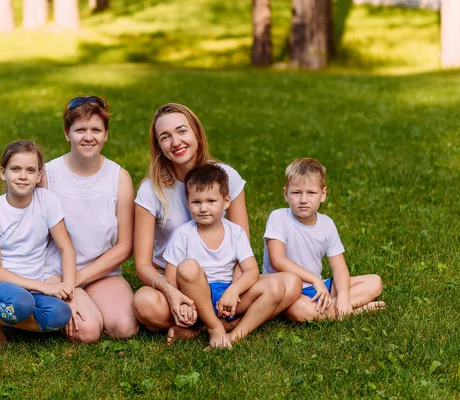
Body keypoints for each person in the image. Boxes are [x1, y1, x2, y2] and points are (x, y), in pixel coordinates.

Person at [132, 103, 302, 343]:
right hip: (177, 282)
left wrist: (234, 291)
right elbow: (142, 264)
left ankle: (219, 326)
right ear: (158, 146)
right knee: (144, 303)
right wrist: (172, 294)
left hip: (226, 277)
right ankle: (213, 323)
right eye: (165, 137)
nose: (176, 142)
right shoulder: (152, 190)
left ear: (197, 134)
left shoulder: (226, 176)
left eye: (182, 131)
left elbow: (240, 245)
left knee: (291, 283)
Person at [0, 140, 82, 352]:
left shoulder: (46, 201)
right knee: (22, 302)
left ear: (39, 176)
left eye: (30, 170)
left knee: (60, 314)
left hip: (30, 290)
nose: (22, 176)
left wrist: (69, 293)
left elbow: (66, 249)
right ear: (3, 172)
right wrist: (45, 286)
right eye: (15, 169)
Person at [41, 96, 139, 343]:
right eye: (80, 130)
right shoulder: (48, 176)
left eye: (96, 130)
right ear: (67, 133)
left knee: (125, 327)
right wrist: (61, 283)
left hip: (101, 271)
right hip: (57, 274)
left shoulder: (120, 177)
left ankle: (94, 302)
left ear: (106, 134)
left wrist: (79, 279)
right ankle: (61, 306)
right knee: (87, 331)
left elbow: (125, 246)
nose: (88, 137)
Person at [164, 164, 279, 349]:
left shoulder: (236, 232)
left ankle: (233, 336)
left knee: (276, 286)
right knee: (188, 267)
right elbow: (171, 276)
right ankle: (214, 327)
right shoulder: (183, 234)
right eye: (196, 202)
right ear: (188, 203)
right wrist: (184, 303)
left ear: (226, 202)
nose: (203, 208)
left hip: (229, 297)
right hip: (198, 297)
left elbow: (251, 271)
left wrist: (234, 290)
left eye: (211, 201)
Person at [263, 157, 386, 322]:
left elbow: (340, 268)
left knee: (375, 282)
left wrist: (342, 297)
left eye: (311, 193)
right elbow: (277, 260)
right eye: (296, 192)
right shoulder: (278, 217)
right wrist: (314, 279)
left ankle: (337, 308)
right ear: (286, 194)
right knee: (300, 311)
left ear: (323, 194)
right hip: (290, 292)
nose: (303, 200)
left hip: (319, 289)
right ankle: (354, 311)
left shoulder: (327, 224)